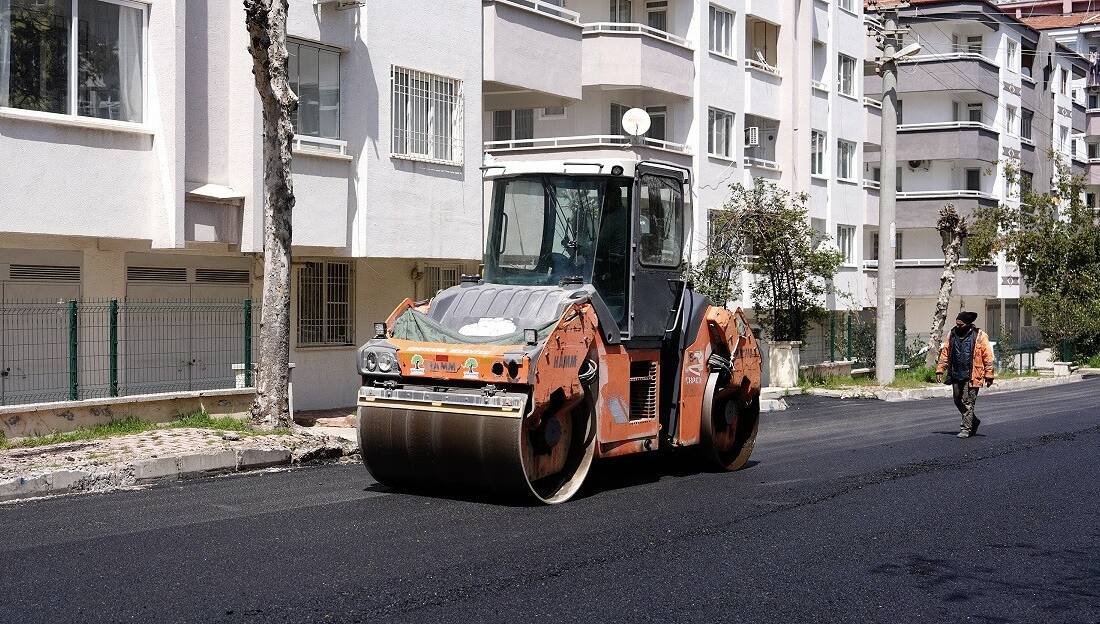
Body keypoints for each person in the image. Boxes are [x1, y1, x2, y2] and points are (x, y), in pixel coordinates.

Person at [935, 311, 995, 438]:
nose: (958, 326)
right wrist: (940, 369)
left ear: (968, 324)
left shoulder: (980, 336)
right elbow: (945, 352)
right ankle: (973, 420)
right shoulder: (952, 334)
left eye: (961, 324)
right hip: (956, 373)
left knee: (968, 402)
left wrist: (989, 375)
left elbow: (988, 357)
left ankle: (966, 428)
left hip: (973, 374)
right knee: (957, 400)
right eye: (957, 324)